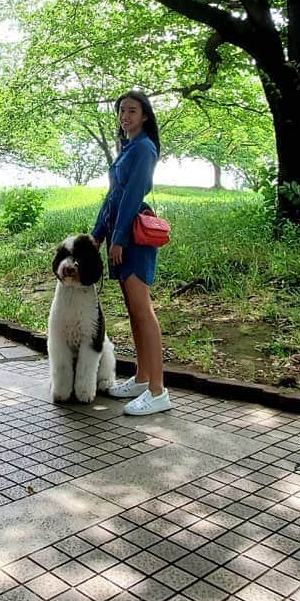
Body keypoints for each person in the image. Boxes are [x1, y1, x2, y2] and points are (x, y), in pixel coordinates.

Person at [91, 90, 169, 416]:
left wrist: (119, 239)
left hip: (133, 239)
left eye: (132, 111)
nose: (125, 116)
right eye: (122, 111)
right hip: (118, 238)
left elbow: (133, 196)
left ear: (145, 116)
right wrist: (97, 234)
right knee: (134, 311)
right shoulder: (128, 149)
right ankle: (141, 379)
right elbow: (112, 196)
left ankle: (158, 391)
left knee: (143, 310)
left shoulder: (144, 149)